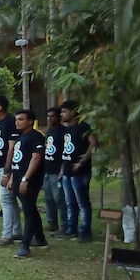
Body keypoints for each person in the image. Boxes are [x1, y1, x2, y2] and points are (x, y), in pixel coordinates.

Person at [7, 109, 48, 259]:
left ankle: (25, 245)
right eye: (16, 119)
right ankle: (40, 238)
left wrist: (26, 179)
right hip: (18, 178)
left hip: (30, 180)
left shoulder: (36, 136)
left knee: (29, 211)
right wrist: (12, 178)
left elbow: (36, 158)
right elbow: (17, 159)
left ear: (30, 121)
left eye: (21, 119)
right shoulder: (21, 137)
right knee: (30, 209)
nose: (17, 122)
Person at [58, 100, 98, 243]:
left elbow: (94, 143)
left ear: (73, 112)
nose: (61, 114)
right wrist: (62, 169)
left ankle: (85, 232)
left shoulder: (83, 126)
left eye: (64, 112)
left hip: (80, 172)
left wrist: (82, 162)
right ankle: (71, 229)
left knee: (83, 203)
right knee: (70, 203)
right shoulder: (67, 129)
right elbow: (66, 150)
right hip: (67, 171)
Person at [0, 94, 22, 248]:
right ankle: (16, 231)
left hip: (9, 168)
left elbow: (12, 148)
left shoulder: (10, 122)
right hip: (1, 166)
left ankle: (7, 236)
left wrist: (8, 172)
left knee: (5, 199)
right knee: (10, 199)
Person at [42, 107, 66, 232]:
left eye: (53, 116)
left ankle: (64, 225)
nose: (50, 119)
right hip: (47, 169)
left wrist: (63, 169)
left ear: (58, 117)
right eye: (48, 116)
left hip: (57, 170)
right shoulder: (49, 131)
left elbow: (65, 152)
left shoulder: (63, 132)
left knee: (59, 199)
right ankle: (52, 222)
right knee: (49, 198)